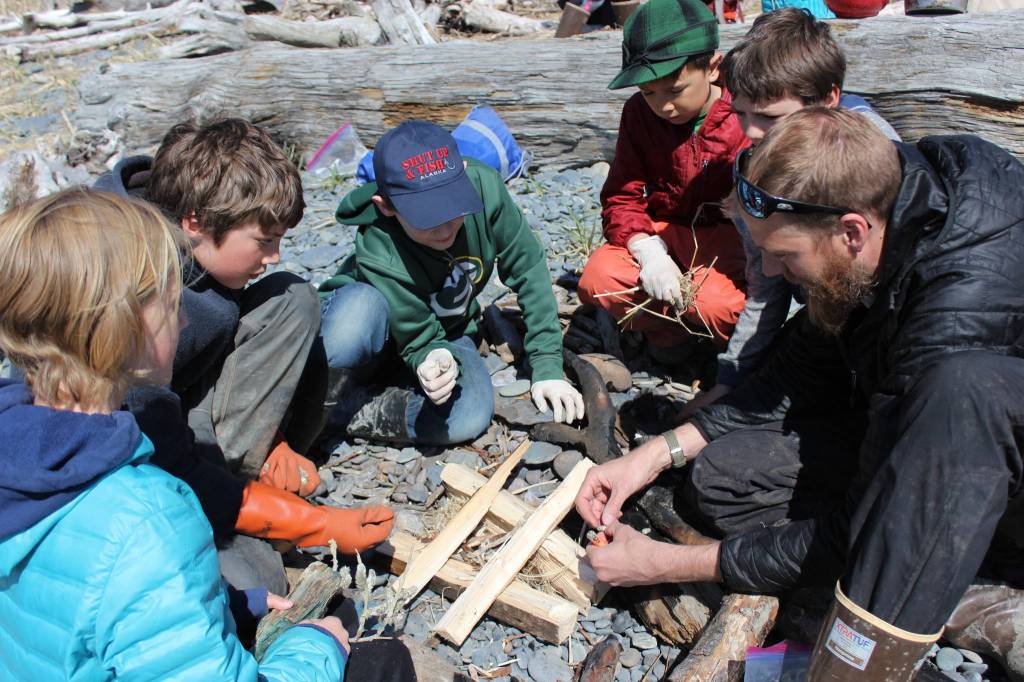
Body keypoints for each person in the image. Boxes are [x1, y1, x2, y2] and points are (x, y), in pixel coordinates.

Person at [575, 109, 1024, 680]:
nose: (767, 269)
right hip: (903, 410)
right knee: (722, 478)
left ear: (852, 231)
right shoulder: (890, 196)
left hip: (986, 466)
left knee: (888, 541)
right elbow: (801, 364)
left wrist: (667, 563)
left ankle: (978, 589)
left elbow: (872, 519)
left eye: (783, 256)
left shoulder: (958, 328)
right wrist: (654, 454)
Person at [0, 188, 349, 680]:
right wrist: (317, 650)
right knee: (376, 656)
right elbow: (132, 564)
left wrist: (228, 601)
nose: (186, 318)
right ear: (122, 327)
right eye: (171, 304)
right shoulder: (151, 517)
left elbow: (79, 603)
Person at [95, 119, 393, 595]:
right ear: (195, 221)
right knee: (253, 577)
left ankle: (251, 476)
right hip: (134, 454)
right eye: (263, 241)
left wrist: (274, 438)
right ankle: (237, 499)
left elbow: (212, 359)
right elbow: (159, 455)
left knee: (292, 296)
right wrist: (308, 524)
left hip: (180, 398)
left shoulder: (188, 227)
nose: (274, 256)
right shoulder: (125, 302)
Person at [683, 6, 900, 414]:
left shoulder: (878, 154)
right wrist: (732, 377)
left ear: (829, 99)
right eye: (740, 114)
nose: (749, 132)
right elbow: (765, 283)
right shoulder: (754, 161)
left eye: (768, 117)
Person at [318, 120, 584, 445]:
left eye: (454, 208)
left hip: (446, 330)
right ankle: (315, 392)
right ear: (386, 207)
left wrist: (547, 366)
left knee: (469, 415)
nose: (445, 229)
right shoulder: (378, 242)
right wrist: (424, 352)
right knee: (350, 326)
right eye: (427, 218)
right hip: (375, 332)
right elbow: (415, 332)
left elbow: (529, 269)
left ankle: (343, 409)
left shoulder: (485, 186)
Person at [576, 0, 749, 361]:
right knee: (599, 278)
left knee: (719, 305)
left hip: (729, 241)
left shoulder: (745, 116)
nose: (663, 106)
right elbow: (622, 194)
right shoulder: (639, 114)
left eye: (675, 90)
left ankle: (725, 341)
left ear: (713, 69)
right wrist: (646, 249)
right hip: (664, 231)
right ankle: (670, 329)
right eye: (648, 92)